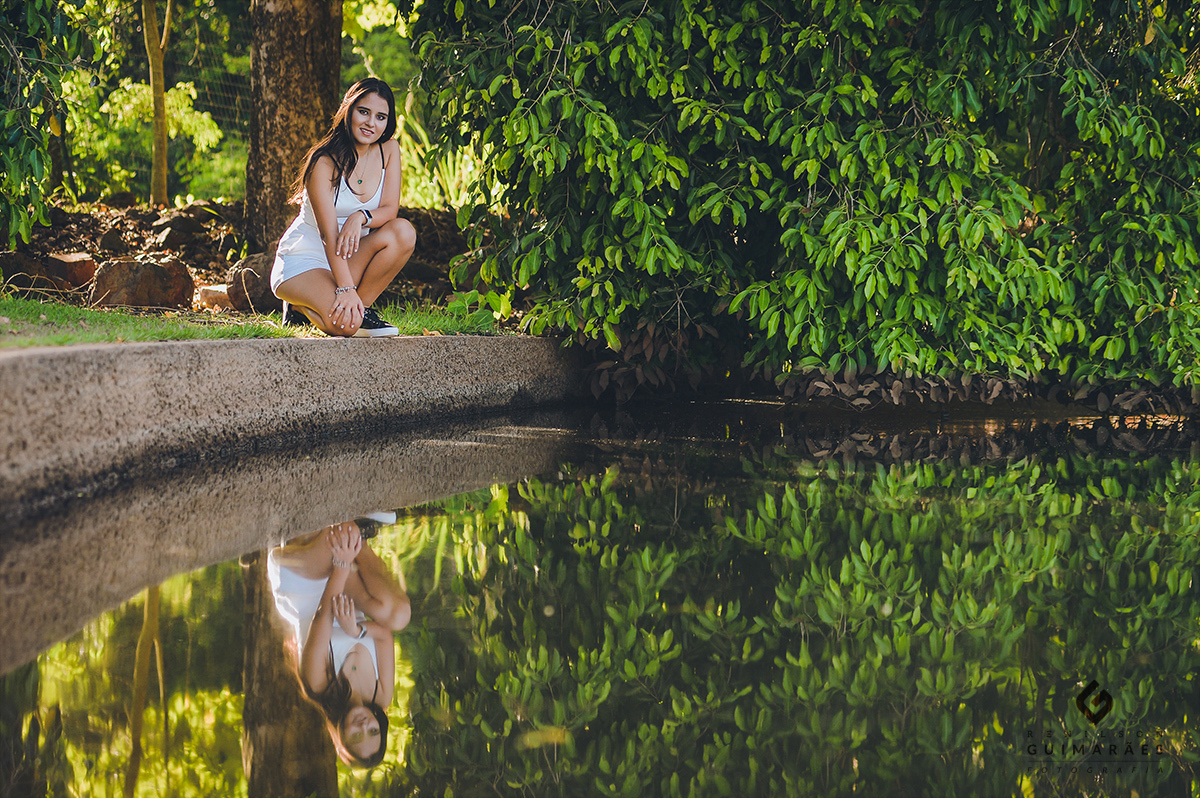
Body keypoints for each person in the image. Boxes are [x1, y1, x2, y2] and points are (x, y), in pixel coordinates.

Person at [270, 77, 416, 337]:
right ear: (348, 111)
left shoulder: (389, 149)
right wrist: (346, 289)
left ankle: (363, 308)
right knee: (347, 326)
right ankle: (297, 306)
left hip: (348, 258)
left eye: (381, 117)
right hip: (305, 260)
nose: (371, 123)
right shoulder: (324, 162)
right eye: (364, 112)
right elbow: (328, 236)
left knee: (403, 231)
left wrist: (360, 216)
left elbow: (389, 210)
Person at [268, 520, 412, 767]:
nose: (364, 726)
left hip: (305, 588)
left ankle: (346, 537)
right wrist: (355, 631)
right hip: (345, 586)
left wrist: (343, 564)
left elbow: (324, 613)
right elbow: (385, 636)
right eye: (374, 732)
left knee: (337, 538)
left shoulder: (318, 685)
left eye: (356, 736)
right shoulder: (382, 696)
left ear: (341, 736)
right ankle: (360, 539)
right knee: (399, 615)